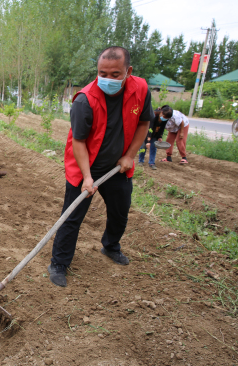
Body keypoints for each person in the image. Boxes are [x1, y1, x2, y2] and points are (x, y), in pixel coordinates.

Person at [47, 46, 153, 288]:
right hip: (86, 165)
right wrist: (86, 177)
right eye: (102, 73)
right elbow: (78, 141)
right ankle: (59, 263)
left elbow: (143, 124)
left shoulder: (141, 89)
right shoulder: (85, 100)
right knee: (72, 215)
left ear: (129, 71)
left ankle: (111, 246)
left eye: (115, 74)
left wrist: (129, 156)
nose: (107, 79)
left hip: (118, 166)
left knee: (120, 209)